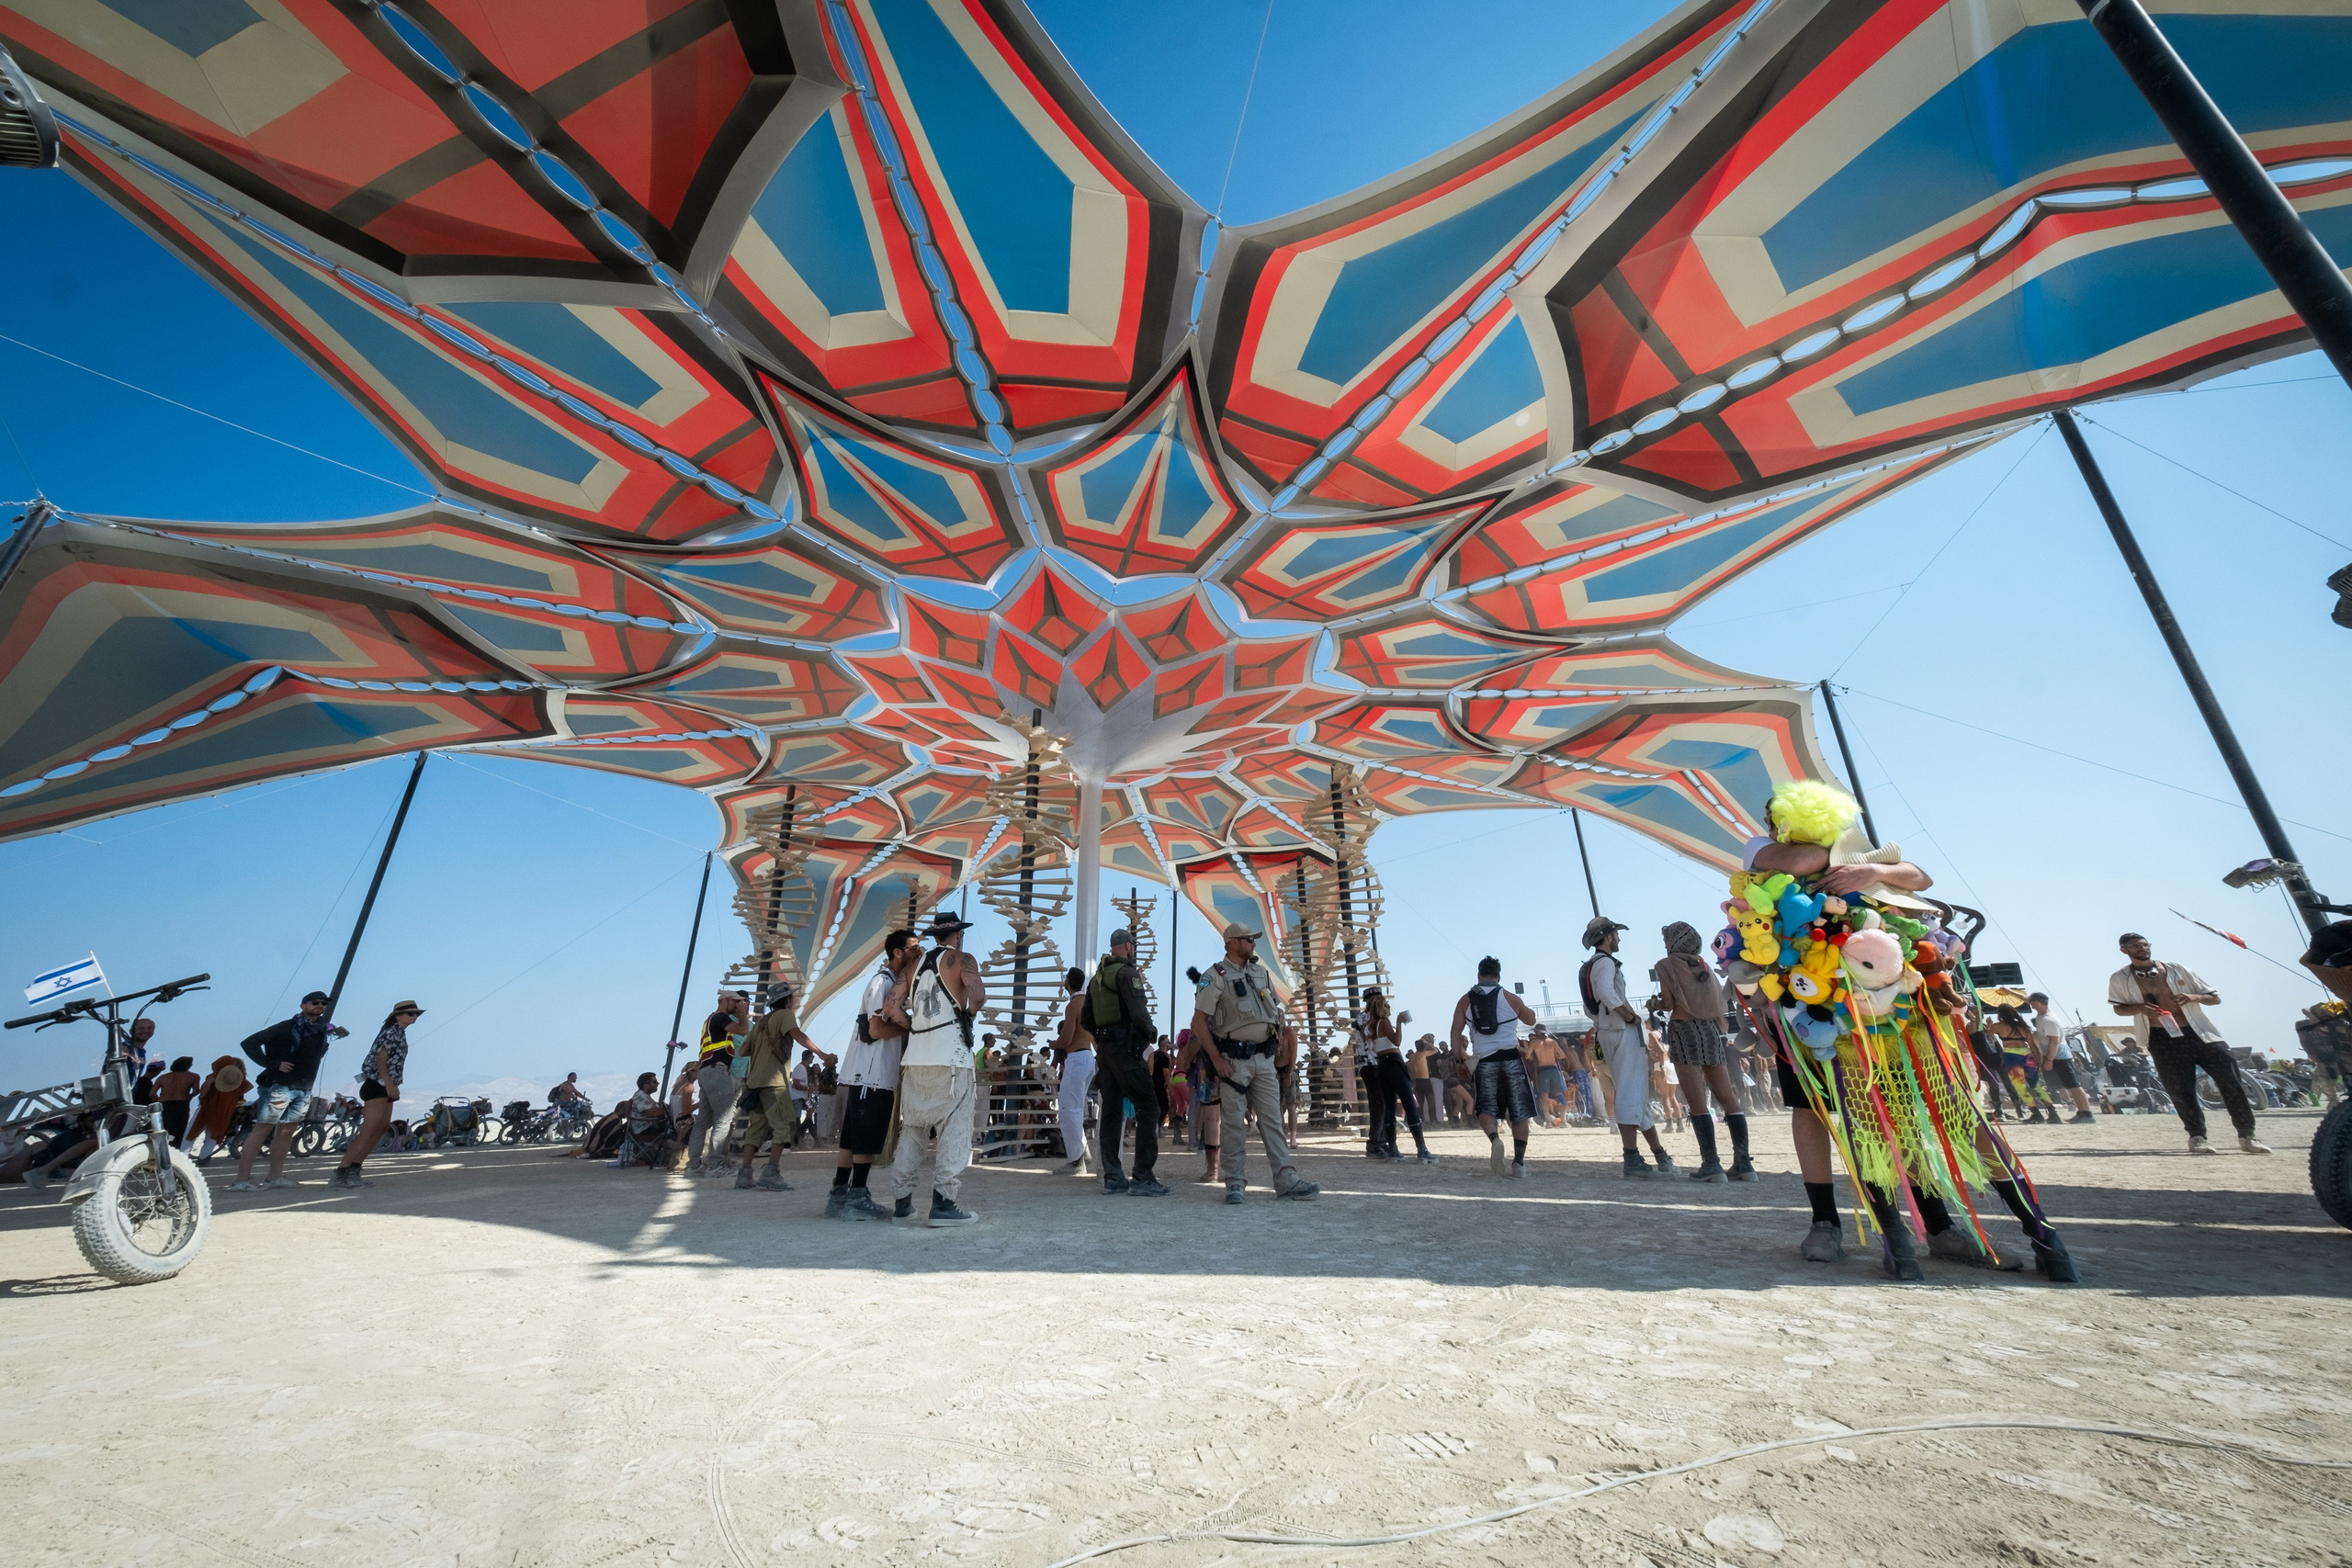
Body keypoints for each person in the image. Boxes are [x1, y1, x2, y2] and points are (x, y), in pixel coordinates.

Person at [1745, 781, 2074, 1281]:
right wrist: (1845, 855)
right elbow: (1796, 862)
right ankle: (1851, 1227)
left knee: (1940, 1112)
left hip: (1904, 1004)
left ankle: (1997, 1230)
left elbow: (1919, 877)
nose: (1775, 825)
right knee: (1849, 1114)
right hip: (1816, 1008)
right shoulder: (1766, 851)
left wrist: (1873, 869)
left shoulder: (1855, 855)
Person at [1192, 922, 1318, 1204]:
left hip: (1264, 1061)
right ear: (1234, 943)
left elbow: (1276, 1016)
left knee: (1273, 1121)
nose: (1254, 944)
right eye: (1250, 939)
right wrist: (1215, 1059)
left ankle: (1287, 1181)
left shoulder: (1261, 973)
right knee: (1235, 1124)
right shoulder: (1214, 977)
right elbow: (1199, 1022)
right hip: (1233, 1063)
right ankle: (1234, 1183)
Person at [2109, 933, 2269, 1155]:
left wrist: (2193, 997)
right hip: (2161, 1037)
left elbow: (2214, 997)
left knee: (2231, 1081)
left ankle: (2247, 1135)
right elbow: (2119, 1008)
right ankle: (2197, 1137)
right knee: (2180, 1089)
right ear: (2124, 950)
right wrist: (2140, 1008)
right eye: (2135, 946)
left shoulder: (2177, 969)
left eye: (2144, 944)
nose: (2142, 948)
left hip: (2201, 1033)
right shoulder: (2120, 978)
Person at [880, 910, 984, 1226]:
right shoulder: (963, 960)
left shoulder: (913, 966)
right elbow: (978, 996)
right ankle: (943, 1203)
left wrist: (913, 1026)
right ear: (957, 934)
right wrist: (967, 1013)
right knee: (955, 1129)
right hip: (951, 1058)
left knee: (912, 1131)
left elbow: (890, 1007)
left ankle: (902, 1204)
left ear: (936, 935)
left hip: (915, 1059)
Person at [1655, 919, 1754, 1183]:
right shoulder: (1705, 965)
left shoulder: (1666, 965)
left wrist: (1653, 1003)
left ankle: (1712, 1164)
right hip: (1711, 1030)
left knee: (1697, 1099)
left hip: (1684, 1030)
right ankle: (1744, 1163)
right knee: (1727, 1096)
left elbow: (1667, 1003)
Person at [1579, 920, 1679, 1179]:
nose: (1619, 939)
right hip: (1620, 1031)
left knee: (1635, 1094)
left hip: (1607, 1030)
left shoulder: (1590, 965)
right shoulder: (1605, 963)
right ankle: (1632, 1158)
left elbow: (1590, 1007)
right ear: (1606, 937)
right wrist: (1628, 1016)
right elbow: (1605, 992)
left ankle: (1659, 1155)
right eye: (1615, 935)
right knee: (1629, 1092)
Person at [231, 990, 345, 1191]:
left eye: (323, 1003)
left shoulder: (320, 1031)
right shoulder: (287, 1027)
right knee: (263, 1128)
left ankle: (274, 1177)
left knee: (286, 1131)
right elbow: (249, 1043)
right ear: (303, 1005)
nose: (320, 1006)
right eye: (314, 1002)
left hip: (303, 1088)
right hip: (279, 1085)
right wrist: (273, 1064)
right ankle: (242, 1179)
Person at [1088, 927, 1169, 1196]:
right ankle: (1143, 1177)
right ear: (1129, 947)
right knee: (1149, 1106)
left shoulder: (1096, 979)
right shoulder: (1127, 974)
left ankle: (1113, 1177)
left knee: (1110, 1112)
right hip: (1126, 1051)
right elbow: (1138, 1011)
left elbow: (1085, 1020)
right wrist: (1150, 1033)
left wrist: (1103, 1044)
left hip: (1106, 1053)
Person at [1451, 957, 1538, 1179]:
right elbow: (1531, 1020)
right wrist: (1521, 1008)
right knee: (1519, 1112)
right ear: (1499, 976)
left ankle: (1495, 1139)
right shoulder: (1510, 997)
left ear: (1479, 975)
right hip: (1511, 1059)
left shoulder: (1465, 1001)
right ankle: (1519, 1164)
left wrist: (1460, 1059)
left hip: (1484, 1061)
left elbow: (1455, 1032)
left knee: (1486, 1108)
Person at [734, 985, 819, 1190]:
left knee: (756, 1128)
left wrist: (762, 1051)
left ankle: (744, 1175)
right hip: (774, 1083)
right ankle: (771, 1172)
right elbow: (797, 1034)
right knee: (784, 1125)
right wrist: (822, 1054)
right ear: (787, 1000)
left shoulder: (761, 1022)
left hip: (755, 1083)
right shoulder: (786, 1015)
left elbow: (744, 1050)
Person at [334, 999, 420, 1189]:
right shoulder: (391, 1033)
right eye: (410, 1013)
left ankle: (355, 1169)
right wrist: (388, 1082)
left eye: (416, 1014)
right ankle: (341, 1173)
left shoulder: (400, 1034)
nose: (414, 1017)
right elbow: (381, 1060)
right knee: (368, 1130)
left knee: (380, 1128)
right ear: (398, 1016)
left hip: (386, 1085)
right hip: (377, 1085)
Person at [1358, 988, 1433, 1163]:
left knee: (1389, 1108)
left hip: (1382, 1064)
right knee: (1409, 1103)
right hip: (1392, 1062)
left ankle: (1392, 1148)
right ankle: (1422, 1150)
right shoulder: (1383, 1022)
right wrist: (1398, 1023)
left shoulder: (1370, 1025)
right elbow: (1396, 1041)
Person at [1052, 965, 1096, 1176]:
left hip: (1076, 1058)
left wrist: (1054, 1044)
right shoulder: (1090, 1002)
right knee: (1076, 1108)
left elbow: (1067, 1038)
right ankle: (1083, 1153)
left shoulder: (1073, 1006)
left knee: (1068, 1110)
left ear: (1067, 983)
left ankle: (1077, 1161)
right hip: (1088, 1057)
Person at [686, 1045, 738, 1178]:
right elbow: (743, 1031)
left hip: (705, 1070)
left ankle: (693, 1167)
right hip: (718, 1070)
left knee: (702, 1123)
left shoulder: (707, 1025)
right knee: (723, 1120)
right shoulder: (728, 1024)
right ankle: (715, 1166)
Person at [188, 1055, 248, 1162]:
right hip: (225, 1111)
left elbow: (203, 1093)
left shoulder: (214, 1076)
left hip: (207, 1108)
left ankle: (183, 1154)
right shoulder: (241, 1081)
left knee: (193, 1131)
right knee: (213, 1135)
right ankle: (204, 1157)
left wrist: (205, 1090)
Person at [2296, 1002, 2350, 1108]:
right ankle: (2334, 1104)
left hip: (2343, 1056)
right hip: (2323, 1058)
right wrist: (2309, 1053)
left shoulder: (2338, 1024)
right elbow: (2303, 1039)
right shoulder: (2303, 1025)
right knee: (2327, 1084)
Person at [153, 1055, 199, 1148]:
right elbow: (196, 1091)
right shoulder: (194, 1076)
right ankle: (175, 1149)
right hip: (182, 1103)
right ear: (187, 1066)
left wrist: (158, 1099)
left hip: (164, 1104)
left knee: (164, 1128)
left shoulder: (163, 1077)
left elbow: (152, 1093)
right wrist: (189, 1096)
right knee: (179, 1129)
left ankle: (162, 1147)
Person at [1525, 1029, 1567, 1129]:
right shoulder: (1552, 1042)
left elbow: (1527, 1056)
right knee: (1559, 1094)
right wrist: (1555, 1055)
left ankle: (1548, 1121)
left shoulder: (1534, 1042)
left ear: (1536, 1033)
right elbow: (1562, 1055)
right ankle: (1563, 1121)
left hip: (1543, 1071)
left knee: (1544, 1096)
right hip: (1554, 1069)